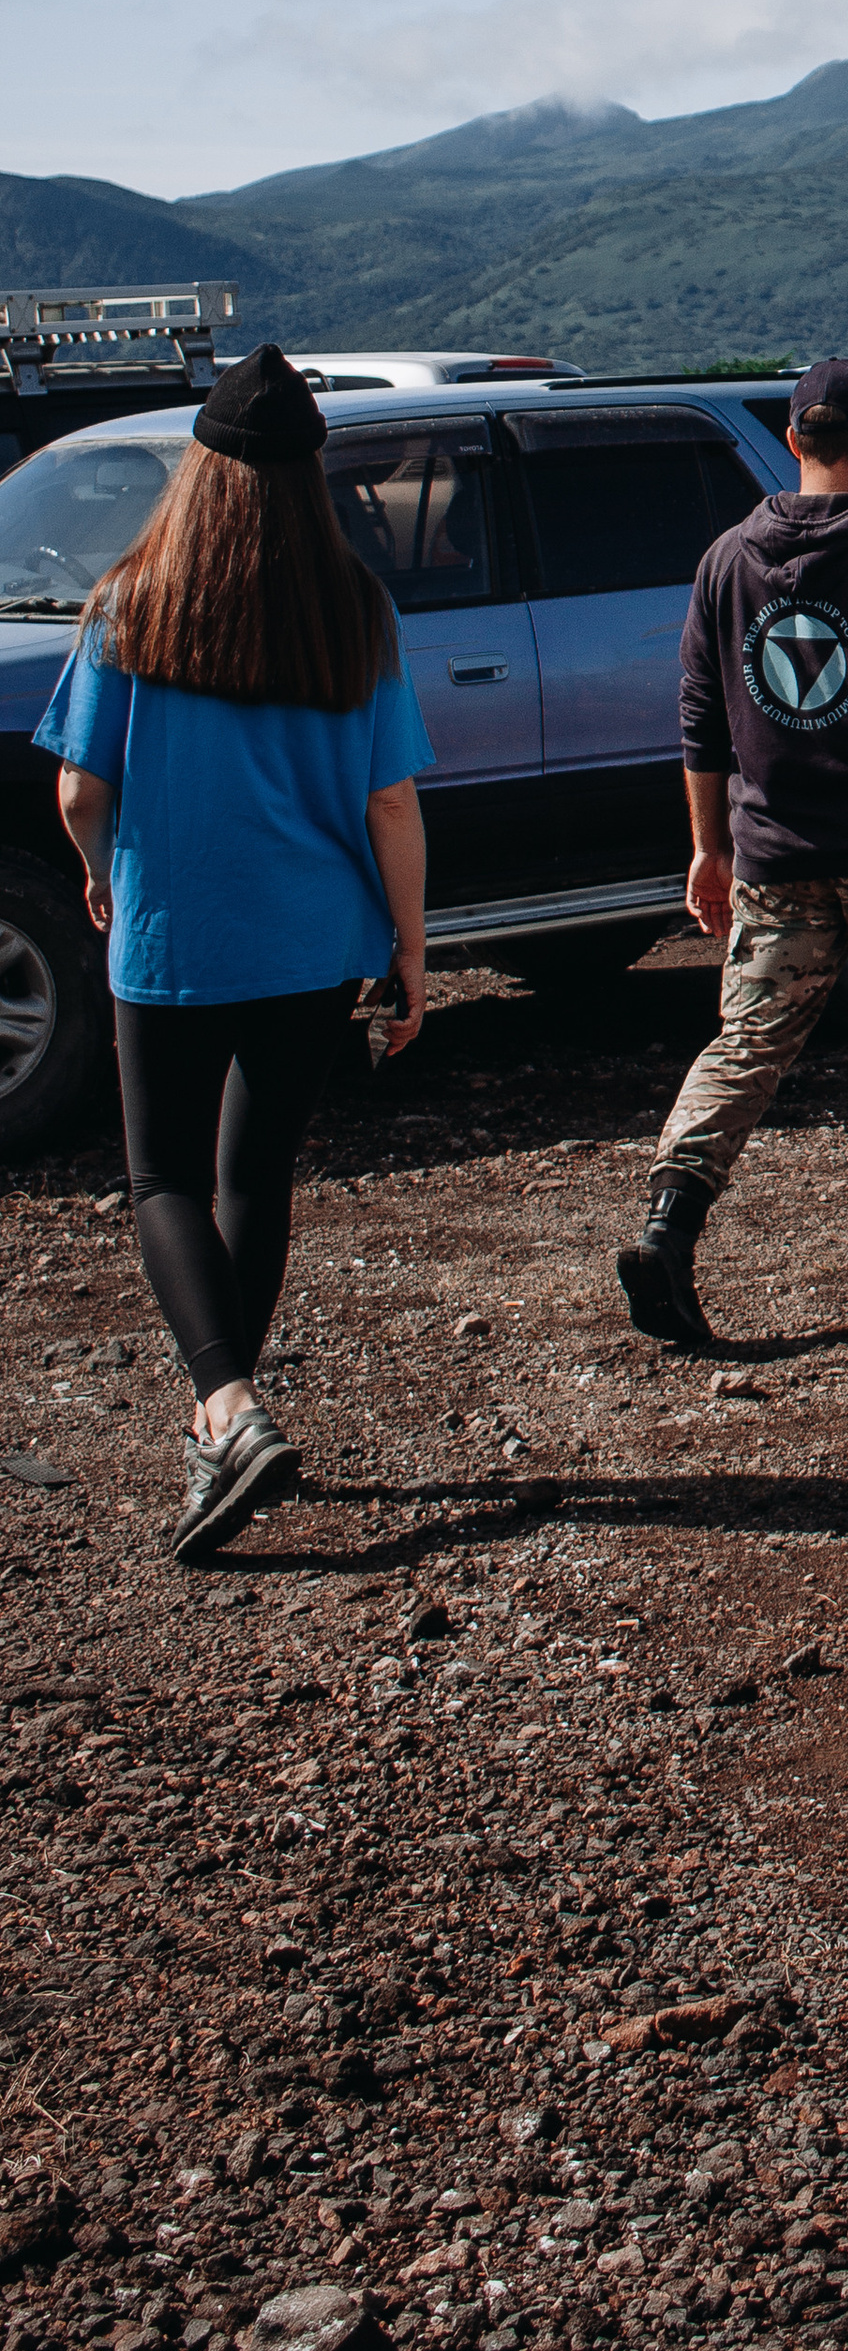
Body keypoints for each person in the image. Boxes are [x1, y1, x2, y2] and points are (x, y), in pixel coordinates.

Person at [33, 345, 431, 1563]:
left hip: (173, 933)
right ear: (312, 477)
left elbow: (75, 788)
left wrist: (101, 871)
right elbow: (391, 807)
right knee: (253, 1176)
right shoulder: (353, 610)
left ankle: (228, 1408)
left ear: (199, 472)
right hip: (314, 939)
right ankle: (230, 1419)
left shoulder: (130, 603)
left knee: (160, 1180)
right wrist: (411, 950)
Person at [615, 357, 848, 1348]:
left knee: (746, 1044)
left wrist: (708, 847)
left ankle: (669, 1226)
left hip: (773, 856)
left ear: (792, 442)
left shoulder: (725, 560)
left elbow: (699, 718)